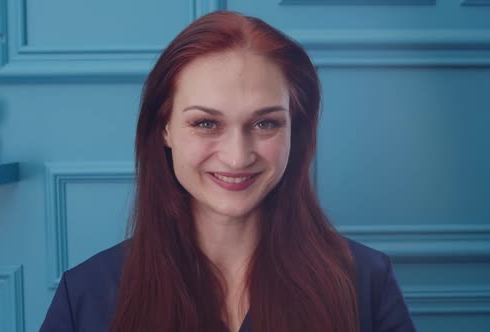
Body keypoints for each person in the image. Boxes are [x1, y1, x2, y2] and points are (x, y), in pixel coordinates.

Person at [40, 11, 416, 332]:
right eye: (205, 123)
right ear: (165, 128)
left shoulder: (367, 281)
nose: (237, 158)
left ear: (294, 131)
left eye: (265, 123)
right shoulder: (85, 295)